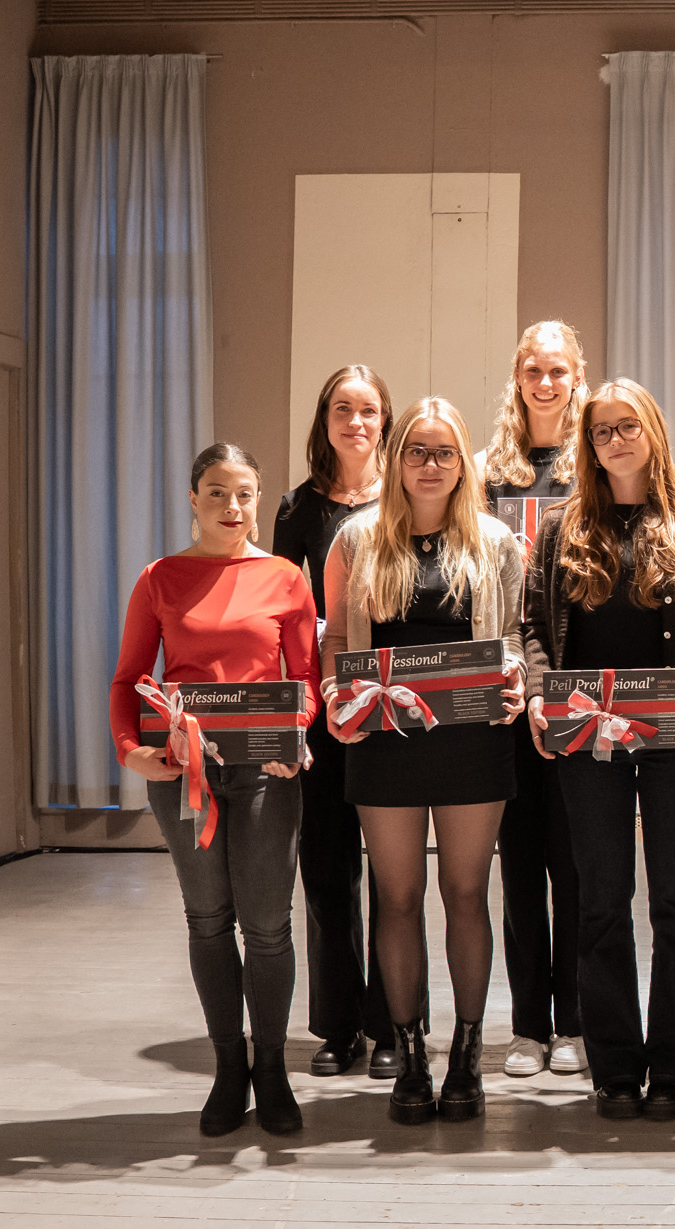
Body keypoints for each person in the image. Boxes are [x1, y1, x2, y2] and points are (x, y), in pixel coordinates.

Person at [322, 397, 526, 1124]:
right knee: (399, 898)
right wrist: (335, 696)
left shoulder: (496, 542)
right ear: (396, 458)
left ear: (462, 462)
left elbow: (515, 639)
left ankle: (467, 1055)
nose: (430, 465)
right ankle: (410, 1053)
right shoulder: (356, 539)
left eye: (444, 452)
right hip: (385, 745)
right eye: (417, 451)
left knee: (467, 895)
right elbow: (335, 642)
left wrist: (516, 680)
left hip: (472, 742)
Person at [524, 379, 675, 1120]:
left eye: (627, 426)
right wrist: (539, 695)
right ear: (588, 443)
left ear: (653, 432)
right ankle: (613, 1068)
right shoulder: (560, 528)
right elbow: (533, 628)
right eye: (602, 430)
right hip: (588, 738)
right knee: (601, 900)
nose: (615, 440)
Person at [110, 443, 317, 1137]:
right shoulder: (160, 578)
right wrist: (130, 751)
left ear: (259, 500)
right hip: (183, 773)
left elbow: (305, 679)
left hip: (265, 773)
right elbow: (128, 678)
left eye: (245, 493)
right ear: (194, 499)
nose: (233, 506)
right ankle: (230, 1068)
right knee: (206, 920)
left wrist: (293, 734)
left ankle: (273, 1069)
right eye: (218, 492)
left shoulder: (284, 577)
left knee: (268, 926)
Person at [271, 364, 413, 1082]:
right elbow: (281, 611)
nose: (356, 422)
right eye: (342, 409)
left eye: (368, 410)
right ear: (324, 421)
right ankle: (337, 1027)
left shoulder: (406, 498)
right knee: (327, 870)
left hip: (391, 706)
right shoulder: (296, 509)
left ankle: (392, 1023)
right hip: (325, 704)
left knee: (392, 877)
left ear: (385, 420)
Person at [481, 320, 588, 1080]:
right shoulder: (487, 472)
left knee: (577, 864)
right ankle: (527, 1027)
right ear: (516, 379)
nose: (545, 383)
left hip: (577, 686)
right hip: (506, 688)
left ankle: (576, 1022)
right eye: (533, 371)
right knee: (519, 866)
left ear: (578, 377)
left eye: (558, 371)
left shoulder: (596, 463)